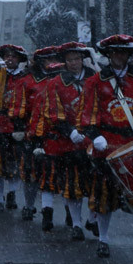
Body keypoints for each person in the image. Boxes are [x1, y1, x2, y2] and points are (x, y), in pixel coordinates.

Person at [77, 35, 133, 262]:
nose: (119, 56)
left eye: (123, 52)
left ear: (129, 55)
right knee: (105, 196)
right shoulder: (95, 82)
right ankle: (103, 240)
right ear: (108, 55)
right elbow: (87, 113)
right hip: (107, 144)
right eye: (115, 52)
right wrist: (94, 136)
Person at [35, 42, 95, 238]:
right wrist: (70, 131)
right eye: (69, 60)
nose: (74, 63)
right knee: (72, 183)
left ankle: (93, 219)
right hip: (67, 141)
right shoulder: (56, 83)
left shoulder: (94, 78)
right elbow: (54, 112)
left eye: (77, 59)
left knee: (97, 183)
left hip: (94, 139)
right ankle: (76, 223)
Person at [0, 44, 31, 211]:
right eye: (6, 56)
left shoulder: (25, 77)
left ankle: (11, 193)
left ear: (19, 60)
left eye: (13, 56)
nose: (9, 59)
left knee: (16, 164)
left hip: (17, 126)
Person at [19, 45, 60, 222]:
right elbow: (21, 107)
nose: (51, 63)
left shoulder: (63, 79)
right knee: (31, 172)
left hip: (58, 133)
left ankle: (66, 214)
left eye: (53, 60)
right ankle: (29, 205)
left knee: (58, 173)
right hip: (33, 131)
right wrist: (22, 129)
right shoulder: (28, 80)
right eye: (47, 60)